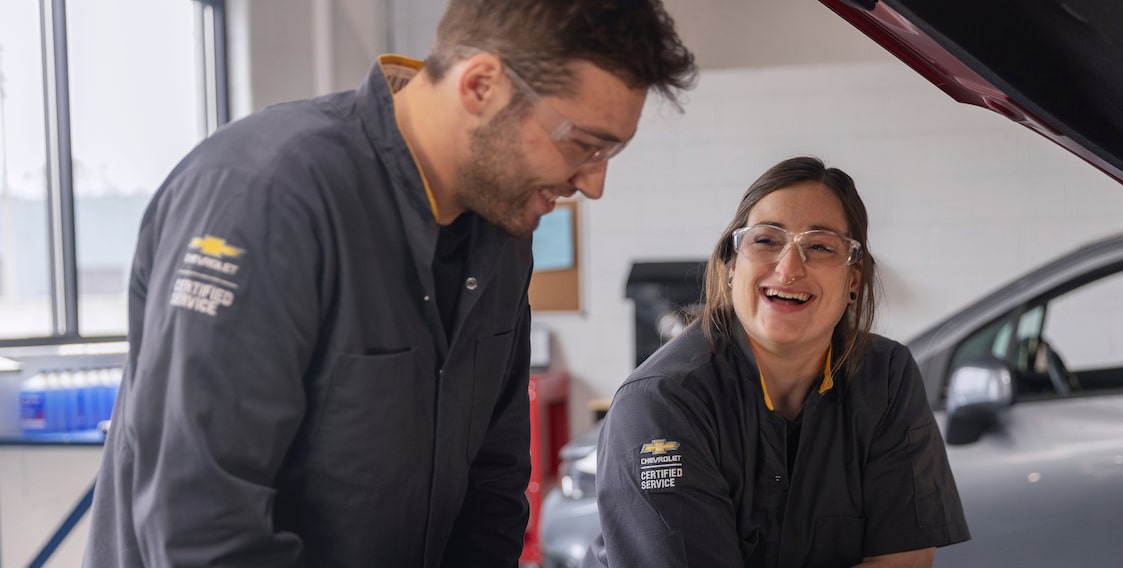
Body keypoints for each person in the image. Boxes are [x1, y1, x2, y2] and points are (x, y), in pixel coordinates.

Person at [83, 1, 695, 566]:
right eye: (584, 146)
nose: (592, 185)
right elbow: (201, 522)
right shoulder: (268, 198)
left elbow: (494, 481)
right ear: (481, 85)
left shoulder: (501, 231)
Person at [584, 157, 970, 567]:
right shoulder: (662, 403)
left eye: (819, 246)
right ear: (733, 265)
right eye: (766, 240)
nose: (788, 269)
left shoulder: (887, 377)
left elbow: (905, 561)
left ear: (853, 280)